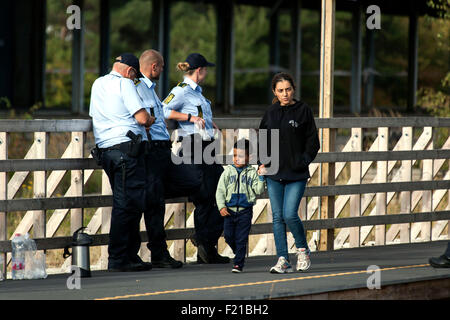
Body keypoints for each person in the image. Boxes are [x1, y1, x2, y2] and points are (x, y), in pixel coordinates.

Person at [135, 49, 202, 268]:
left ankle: (151, 193)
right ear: (154, 67)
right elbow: (143, 117)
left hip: (164, 149)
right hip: (153, 150)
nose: (163, 70)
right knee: (155, 203)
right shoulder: (138, 88)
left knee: (191, 181)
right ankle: (159, 253)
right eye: (162, 66)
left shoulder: (150, 89)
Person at [89, 53, 155, 272]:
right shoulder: (126, 84)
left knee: (124, 201)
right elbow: (142, 118)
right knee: (128, 204)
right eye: (135, 77)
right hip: (127, 150)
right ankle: (120, 258)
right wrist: (151, 119)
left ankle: (125, 256)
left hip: (105, 150)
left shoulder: (98, 83)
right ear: (130, 72)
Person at [162, 53, 229, 264]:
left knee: (217, 194)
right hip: (193, 146)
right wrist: (189, 118)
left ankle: (205, 244)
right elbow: (164, 109)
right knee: (206, 196)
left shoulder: (198, 93)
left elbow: (202, 116)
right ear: (199, 70)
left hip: (206, 146)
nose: (207, 72)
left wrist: (210, 124)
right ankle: (205, 245)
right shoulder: (181, 91)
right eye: (206, 69)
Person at [258, 72, 320, 273]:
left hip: (297, 173)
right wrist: (262, 163)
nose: (285, 94)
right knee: (277, 217)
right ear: (275, 92)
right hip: (274, 172)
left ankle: (302, 251)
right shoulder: (270, 113)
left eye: (288, 89)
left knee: (289, 214)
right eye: (281, 90)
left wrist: (302, 161)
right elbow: (263, 141)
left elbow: (313, 142)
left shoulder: (304, 111)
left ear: (294, 89)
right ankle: (283, 259)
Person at [216, 139, 266, 273]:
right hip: (229, 211)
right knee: (228, 236)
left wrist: (261, 177)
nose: (237, 159)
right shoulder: (227, 172)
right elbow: (220, 191)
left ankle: (238, 264)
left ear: (249, 158)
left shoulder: (251, 173)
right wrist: (221, 206)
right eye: (235, 155)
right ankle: (239, 252)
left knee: (241, 239)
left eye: (241, 156)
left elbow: (259, 191)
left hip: (245, 211)